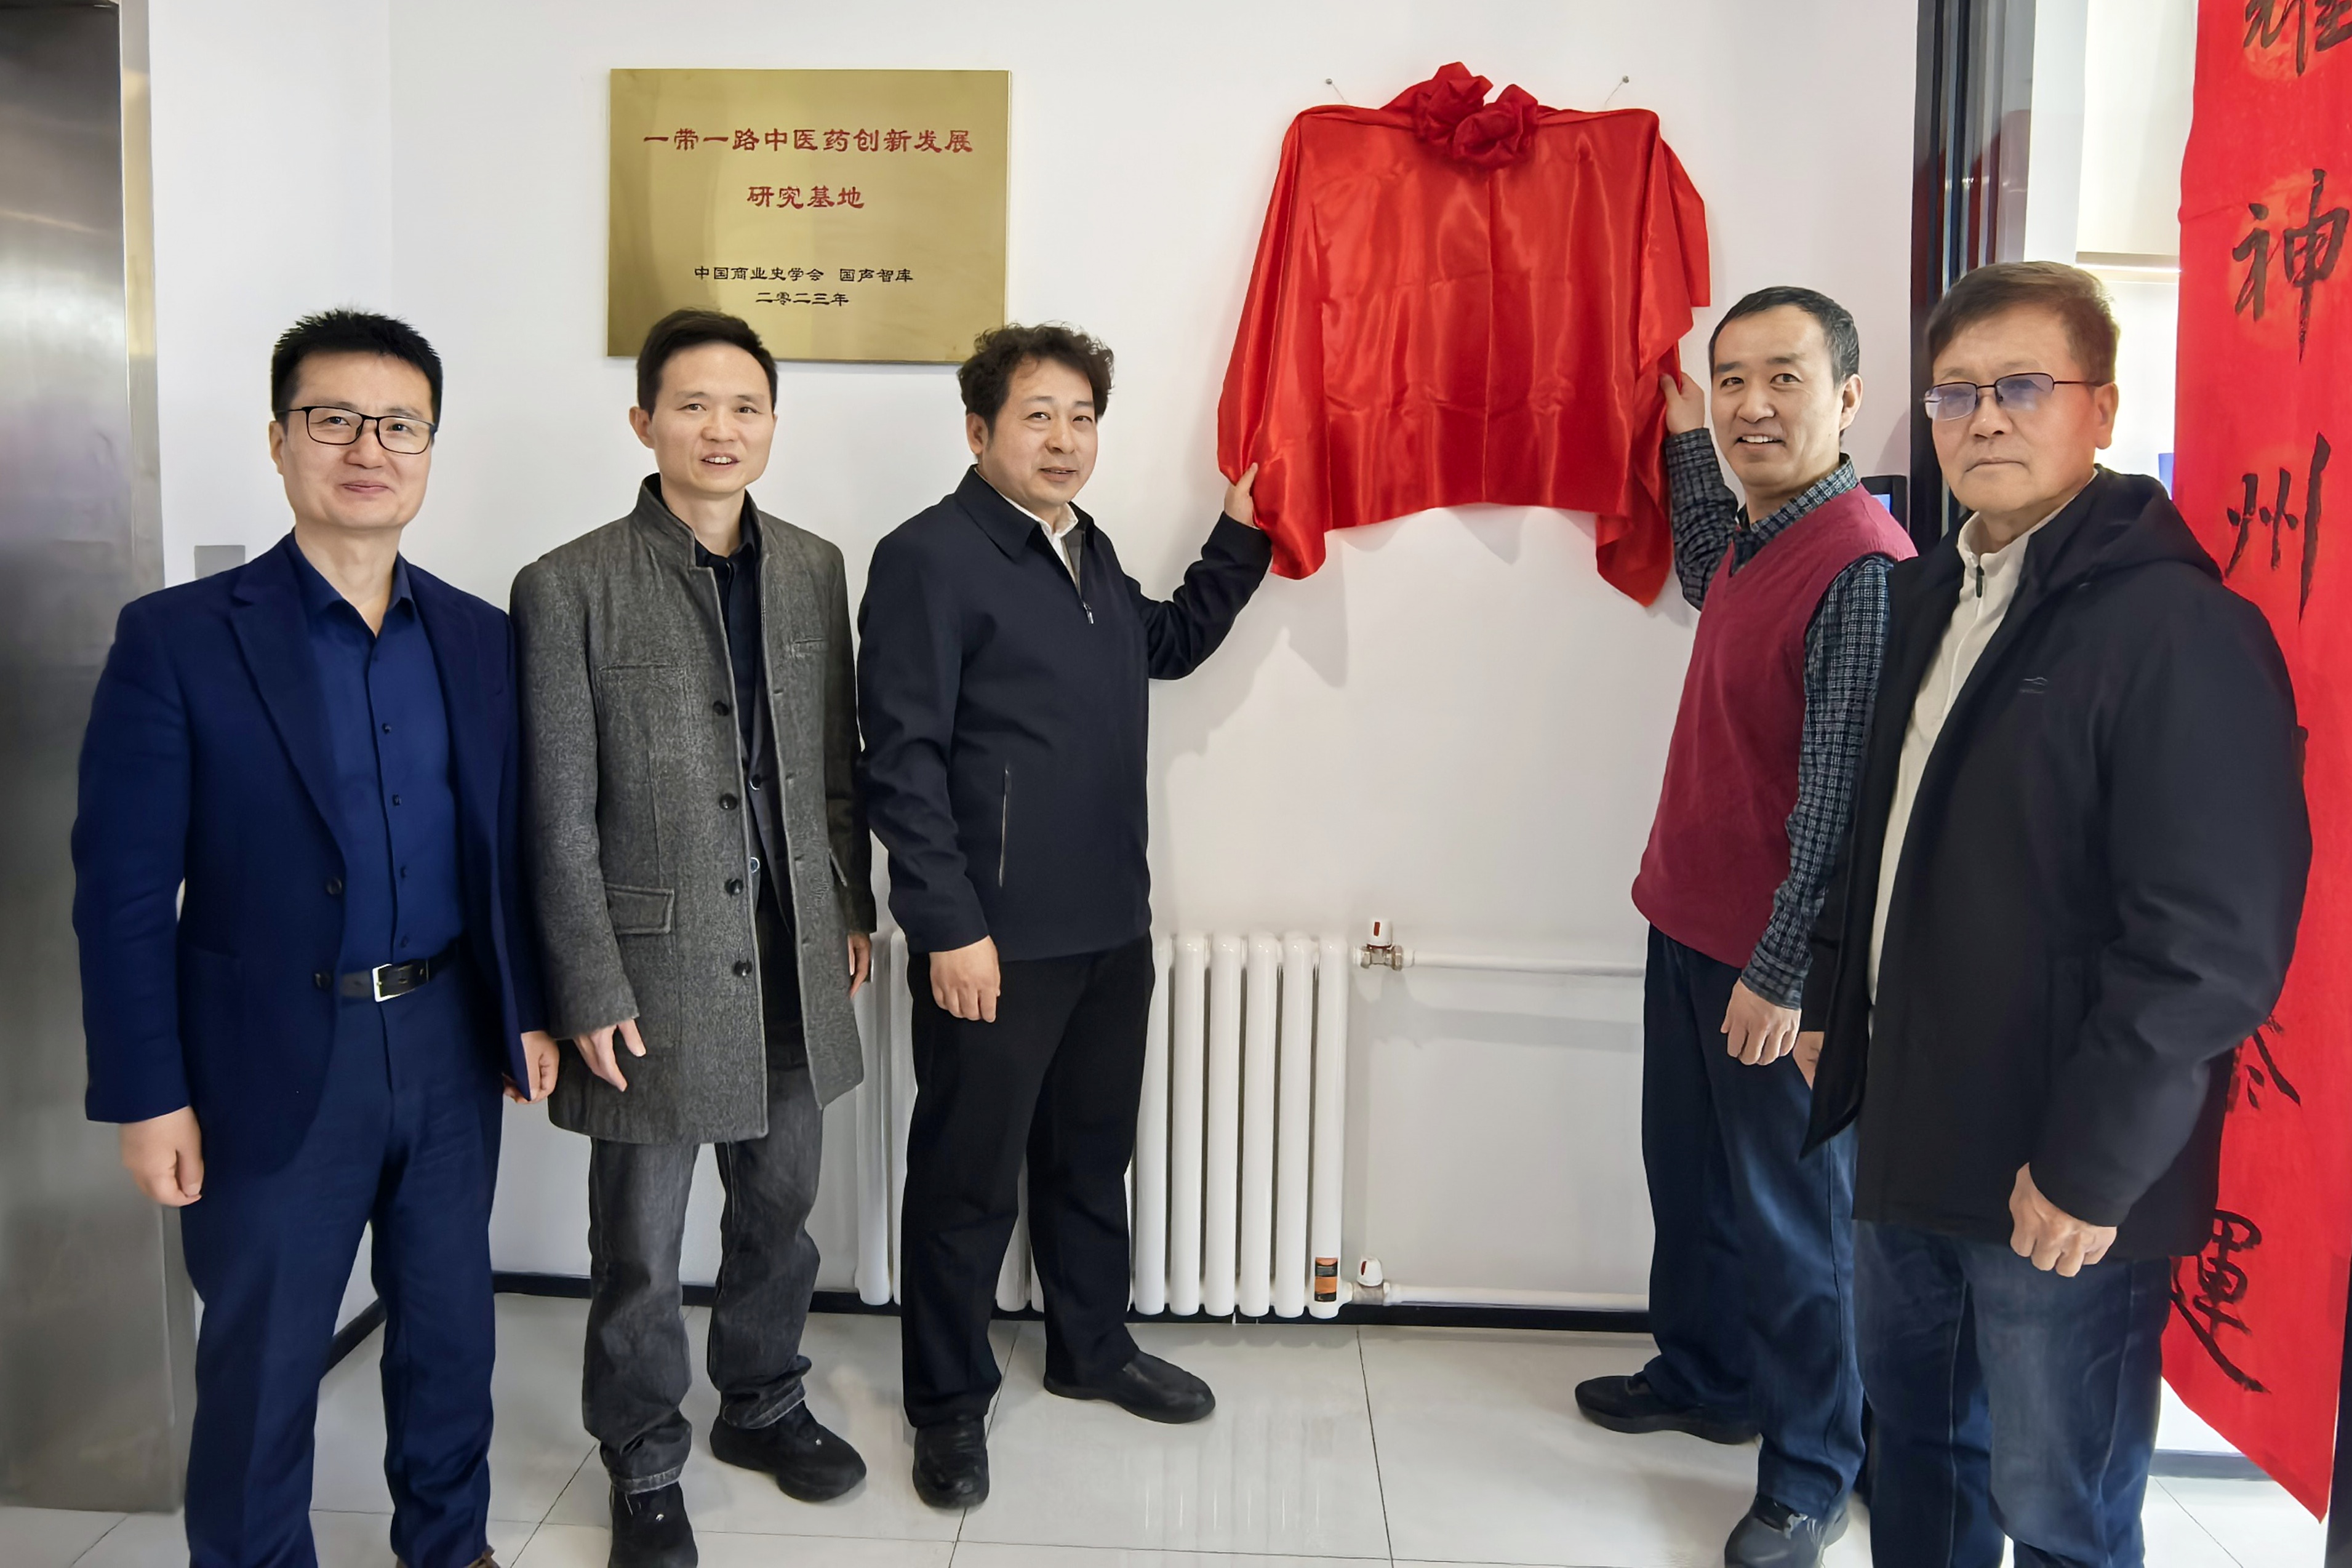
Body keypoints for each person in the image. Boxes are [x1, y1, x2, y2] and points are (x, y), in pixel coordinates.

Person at [1797, 261, 2308, 1567]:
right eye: (1955, 393)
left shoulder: (2177, 629)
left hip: (2061, 1162)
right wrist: (1828, 995)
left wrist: (2093, 1163)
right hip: (1910, 1123)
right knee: (1921, 1464)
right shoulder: (1925, 592)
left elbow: (2209, 944)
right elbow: (1878, 824)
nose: (1984, 419)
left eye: (2021, 387)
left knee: (2059, 1509)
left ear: (2102, 409)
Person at [74, 309, 560, 1568]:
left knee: (450, 1334)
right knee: (265, 1361)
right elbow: (122, 890)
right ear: (280, 440)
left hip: (448, 1040)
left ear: (430, 448)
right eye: (334, 419)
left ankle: (449, 1547)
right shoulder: (180, 638)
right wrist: (148, 1093)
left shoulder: (478, 635)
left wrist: (525, 1010)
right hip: (268, 1056)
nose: (368, 449)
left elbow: (503, 844)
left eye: (400, 425)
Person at [858, 322, 1270, 1509]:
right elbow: (901, 762)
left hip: (1107, 927)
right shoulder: (929, 557)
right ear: (978, 430)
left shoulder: (1083, 548)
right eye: (1037, 415)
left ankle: (1092, 1349)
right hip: (992, 939)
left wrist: (1238, 532)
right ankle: (947, 1404)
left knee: (1091, 1161)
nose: (1064, 439)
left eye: (1081, 417)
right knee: (966, 1183)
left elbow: (1163, 645)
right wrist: (947, 926)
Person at [512, 310, 875, 1567]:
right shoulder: (568, 585)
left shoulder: (816, 567)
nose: (721, 429)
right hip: (649, 974)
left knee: (781, 1209)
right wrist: (585, 979)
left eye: (745, 407)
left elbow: (835, 765)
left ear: (773, 423)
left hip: (792, 956)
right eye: (693, 405)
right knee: (640, 1245)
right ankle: (644, 1456)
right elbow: (556, 813)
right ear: (644, 422)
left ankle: (762, 1402)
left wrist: (849, 903)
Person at [1577, 287, 1913, 1567]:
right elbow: (1705, 557)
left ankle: (1812, 1472)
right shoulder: (1764, 536)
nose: (1751, 406)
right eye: (1731, 382)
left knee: (1795, 1225)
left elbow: (1837, 800)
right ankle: (1708, 1374)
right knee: (1692, 1180)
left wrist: (1783, 976)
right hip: (1686, 920)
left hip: (1774, 964)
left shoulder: (1861, 564)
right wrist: (1678, 440)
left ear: (1848, 397)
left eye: (1784, 378)